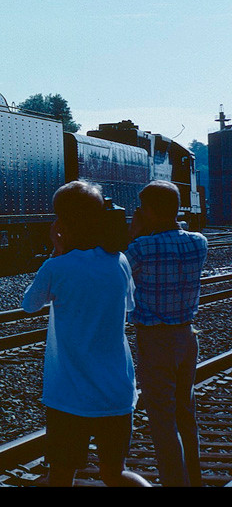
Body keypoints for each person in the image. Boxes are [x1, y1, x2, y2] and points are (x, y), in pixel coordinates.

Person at [22, 180, 149, 487]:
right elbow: (129, 307)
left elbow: (29, 305)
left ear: (60, 224)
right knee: (114, 474)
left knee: (62, 476)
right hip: (116, 391)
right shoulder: (119, 262)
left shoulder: (57, 268)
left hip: (68, 395)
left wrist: (56, 250)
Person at [126, 180, 207, 487]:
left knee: (162, 421)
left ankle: (176, 482)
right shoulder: (199, 242)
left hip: (155, 340)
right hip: (188, 337)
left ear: (147, 211)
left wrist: (134, 234)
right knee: (185, 413)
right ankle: (194, 480)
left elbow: (122, 275)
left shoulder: (140, 248)